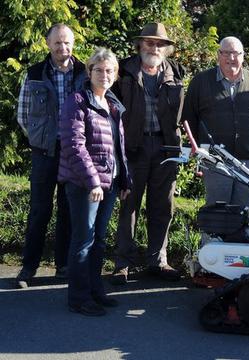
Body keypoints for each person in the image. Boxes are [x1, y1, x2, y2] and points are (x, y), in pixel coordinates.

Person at [58, 48, 131, 316]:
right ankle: (78, 298)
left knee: (99, 240)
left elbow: (117, 148)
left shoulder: (112, 105)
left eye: (110, 70)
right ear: (89, 72)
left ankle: (95, 289)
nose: (104, 74)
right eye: (98, 70)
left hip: (108, 185)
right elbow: (74, 146)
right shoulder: (76, 101)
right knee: (83, 240)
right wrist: (93, 183)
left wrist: (124, 180)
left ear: (116, 74)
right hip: (84, 185)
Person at [112, 23, 185, 284]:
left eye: (159, 43)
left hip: (166, 148)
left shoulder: (175, 73)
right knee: (128, 206)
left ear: (165, 48)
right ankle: (122, 264)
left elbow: (184, 114)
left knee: (163, 206)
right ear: (140, 44)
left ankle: (157, 260)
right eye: (149, 42)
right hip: (134, 147)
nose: (154, 47)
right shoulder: (124, 71)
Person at [15, 24, 87, 288]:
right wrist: (39, 138)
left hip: (73, 152)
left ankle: (63, 266)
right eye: (57, 43)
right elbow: (23, 114)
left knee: (68, 211)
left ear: (73, 44)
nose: (62, 48)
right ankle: (28, 268)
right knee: (39, 210)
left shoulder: (84, 72)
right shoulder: (35, 73)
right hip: (44, 152)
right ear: (47, 44)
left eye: (67, 42)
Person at [182, 36, 249, 213]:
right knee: (216, 212)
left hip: (247, 160)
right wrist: (201, 150)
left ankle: (242, 242)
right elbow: (189, 118)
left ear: (243, 56)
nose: (231, 58)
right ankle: (211, 242)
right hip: (215, 160)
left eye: (236, 53)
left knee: (244, 212)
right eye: (226, 53)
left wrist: (247, 139)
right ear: (218, 55)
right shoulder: (201, 81)